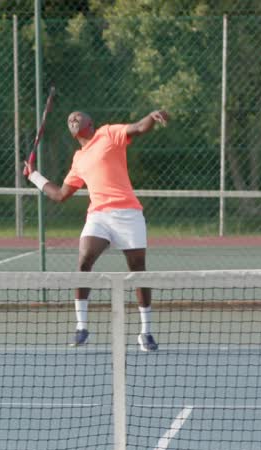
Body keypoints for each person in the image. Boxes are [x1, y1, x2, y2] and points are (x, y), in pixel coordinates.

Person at [24, 108, 169, 351]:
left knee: (138, 271)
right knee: (84, 261)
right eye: (69, 117)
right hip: (99, 216)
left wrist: (152, 117)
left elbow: (139, 127)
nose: (72, 117)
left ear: (90, 123)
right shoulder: (79, 159)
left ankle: (146, 332)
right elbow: (60, 194)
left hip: (128, 214)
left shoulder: (108, 134)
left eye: (77, 115)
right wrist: (34, 176)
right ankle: (81, 327)